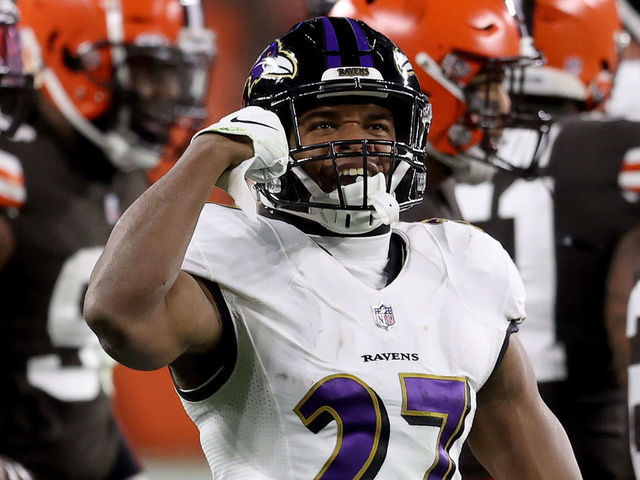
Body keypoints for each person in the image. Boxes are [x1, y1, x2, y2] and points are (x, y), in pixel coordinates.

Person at [84, 16, 581, 479]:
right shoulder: (233, 255)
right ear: (266, 135)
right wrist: (208, 153)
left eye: (376, 125)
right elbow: (120, 316)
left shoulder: (466, 264)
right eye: (324, 123)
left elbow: (529, 452)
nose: (354, 141)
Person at [0, 0, 215, 478]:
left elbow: (75, 373)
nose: (165, 93)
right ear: (69, 58)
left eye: (174, 73)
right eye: (145, 71)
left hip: (87, 450)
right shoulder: (12, 169)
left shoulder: (125, 173)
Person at [455, 0, 640, 478]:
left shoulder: (440, 150)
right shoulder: (619, 147)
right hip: (583, 435)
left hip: (457, 428)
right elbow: (625, 311)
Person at [328, 0, 547, 222]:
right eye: (486, 84)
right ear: (418, 87)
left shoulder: (428, 186)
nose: (504, 106)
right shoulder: (377, 219)